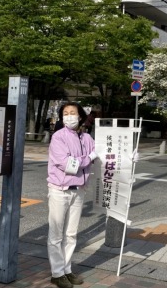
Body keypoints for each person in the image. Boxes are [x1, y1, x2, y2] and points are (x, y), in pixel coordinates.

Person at [47, 101, 98, 288]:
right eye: (65, 113)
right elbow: (68, 165)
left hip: (79, 191)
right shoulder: (58, 137)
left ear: (80, 116)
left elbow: (102, 154)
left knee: (71, 234)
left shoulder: (86, 138)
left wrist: (126, 157)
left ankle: (66, 270)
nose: (69, 116)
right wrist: (90, 157)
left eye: (72, 112)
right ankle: (57, 273)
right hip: (59, 190)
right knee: (56, 235)